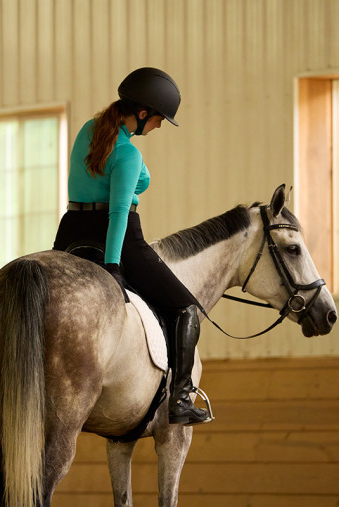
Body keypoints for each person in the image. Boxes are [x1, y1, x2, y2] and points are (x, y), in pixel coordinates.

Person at [53, 67, 212, 426]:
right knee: (187, 308)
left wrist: (141, 176)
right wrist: (113, 267)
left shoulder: (88, 131)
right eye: (158, 119)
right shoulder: (128, 155)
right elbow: (118, 213)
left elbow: (129, 183)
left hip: (69, 232)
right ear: (143, 114)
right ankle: (182, 398)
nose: (157, 127)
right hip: (117, 240)